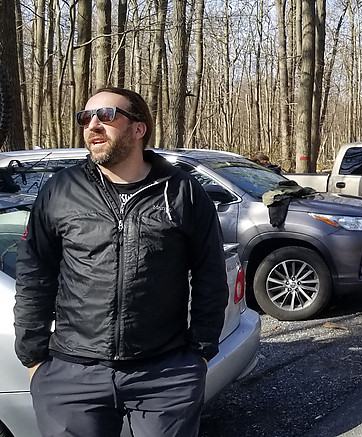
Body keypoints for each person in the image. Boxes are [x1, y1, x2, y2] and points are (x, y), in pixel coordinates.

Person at [13, 87, 228, 437]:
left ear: (138, 128)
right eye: (86, 118)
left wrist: (199, 354)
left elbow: (209, 275)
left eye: (107, 116)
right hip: (71, 373)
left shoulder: (181, 191)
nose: (93, 125)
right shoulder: (60, 190)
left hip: (164, 374)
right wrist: (34, 357)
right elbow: (35, 272)